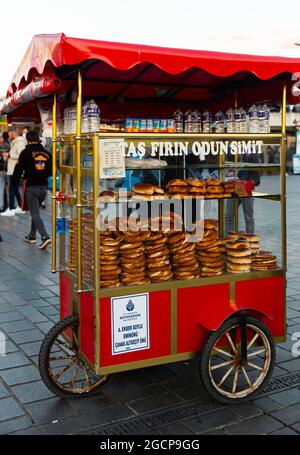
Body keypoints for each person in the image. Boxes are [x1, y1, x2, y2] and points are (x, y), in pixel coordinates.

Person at [14, 130, 52, 249]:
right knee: (35, 212)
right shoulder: (47, 153)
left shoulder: (26, 152)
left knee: (34, 213)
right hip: (44, 186)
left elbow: (19, 169)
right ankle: (32, 235)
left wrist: (15, 182)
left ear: (28, 140)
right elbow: (51, 170)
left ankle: (45, 236)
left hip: (31, 186)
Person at [225, 152, 261, 235]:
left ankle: (250, 239)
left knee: (248, 217)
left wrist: (253, 182)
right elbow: (227, 165)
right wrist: (228, 173)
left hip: (246, 187)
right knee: (228, 216)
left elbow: (257, 169)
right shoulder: (232, 149)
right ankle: (228, 239)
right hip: (233, 186)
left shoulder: (252, 152)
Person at [1, 129, 27, 217]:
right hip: (14, 169)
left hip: (15, 169)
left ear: (13, 134)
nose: (9, 136)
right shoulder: (16, 142)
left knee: (11, 189)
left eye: (10, 134)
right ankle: (20, 206)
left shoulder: (20, 143)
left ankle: (11, 208)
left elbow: (21, 156)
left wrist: (9, 155)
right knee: (15, 188)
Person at [0, 132, 10, 213]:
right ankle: (9, 206)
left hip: (3, 169)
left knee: (2, 187)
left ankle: (2, 205)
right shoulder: (11, 143)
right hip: (9, 169)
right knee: (10, 188)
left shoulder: (3, 145)